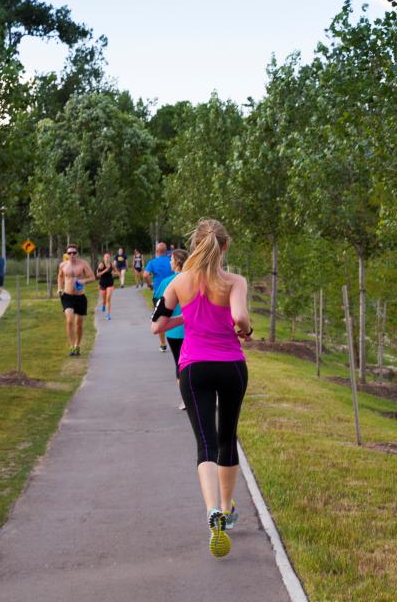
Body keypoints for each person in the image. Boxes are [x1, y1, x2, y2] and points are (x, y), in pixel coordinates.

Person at [151, 219, 252, 558]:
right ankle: (226, 509)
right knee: (228, 437)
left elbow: (157, 326)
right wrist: (245, 328)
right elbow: (239, 318)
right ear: (225, 247)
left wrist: (185, 317)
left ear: (194, 246)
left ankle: (211, 511)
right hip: (231, 367)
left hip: (194, 368)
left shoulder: (179, 282)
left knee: (205, 442)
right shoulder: (234, 281)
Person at [156, 249, 189, 410]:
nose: (170, 262)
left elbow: (158, 306)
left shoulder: (166, 282)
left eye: (171, 259)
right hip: (194, 329)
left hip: (174, 331)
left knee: (180, 364)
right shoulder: (195, 280)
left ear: (177, 262)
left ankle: (186, 399)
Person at [57, 244, 94, 356]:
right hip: (67, 296)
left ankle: (77, 346)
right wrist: (59, 288)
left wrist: (84, 281)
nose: (72, 255)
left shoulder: (83, 264)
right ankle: (72, 346)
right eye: (69, 253)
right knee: (69, 321)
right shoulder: (63, 265)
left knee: (79, 324)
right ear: (66, 254)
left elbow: (92, 277)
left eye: (74, 253)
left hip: (80, 297)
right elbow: (60, 277)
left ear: (77, 254)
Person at [144, 242, 174, 352]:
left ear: (156, 252)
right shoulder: (171, 261)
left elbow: (146, 275)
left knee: (160, 318)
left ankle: (163, 344)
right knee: (176, 316)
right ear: (166, 251)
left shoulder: (152, 262)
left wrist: (149, 285)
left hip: (159, 294)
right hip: (174, 293)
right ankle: (177, 341)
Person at [96, 252, 118, 320]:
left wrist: (113, 273)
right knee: (104, 299)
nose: (107, 258)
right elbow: (98, 275)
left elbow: (117, 273)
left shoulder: (112, 265)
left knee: (108, 298)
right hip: (102, 283)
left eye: (108, 257)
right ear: (104, 258)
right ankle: (103, 305)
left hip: (110, 283)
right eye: (106, 257)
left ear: (110, 258)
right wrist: (105, 270)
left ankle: (108, 315)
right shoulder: (101, 265)